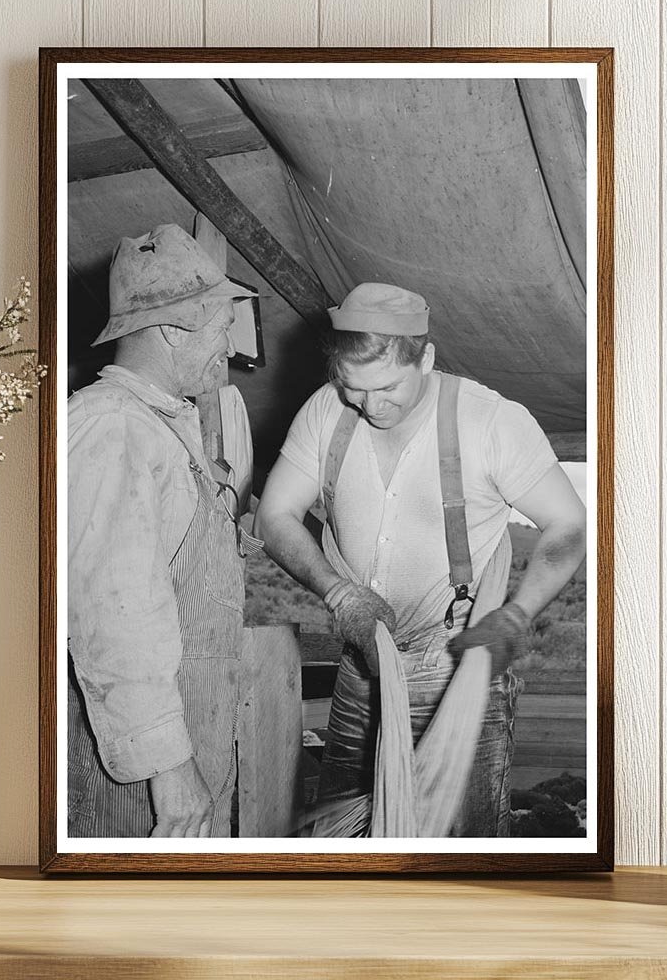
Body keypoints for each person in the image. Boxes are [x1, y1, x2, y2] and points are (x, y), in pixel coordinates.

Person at [254, 282, 587, 836]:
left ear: (426, 358)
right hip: (363, 665)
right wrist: (340, 594)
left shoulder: (489, 422)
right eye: (353, 388)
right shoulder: (325, 412)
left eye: (387, 387)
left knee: (466, 844)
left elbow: (568, 525)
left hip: (457, 665)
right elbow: (275, 515)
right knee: (348, 834)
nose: (370, 406)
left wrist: (517, 613)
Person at [67, 223, 254, 838]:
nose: (229, 348)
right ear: (175, 329)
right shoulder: (113, 428)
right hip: (140, 778)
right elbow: (115, 616)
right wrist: (172, 779)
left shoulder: (161, 427)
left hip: (186, 736)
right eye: (223, 328)